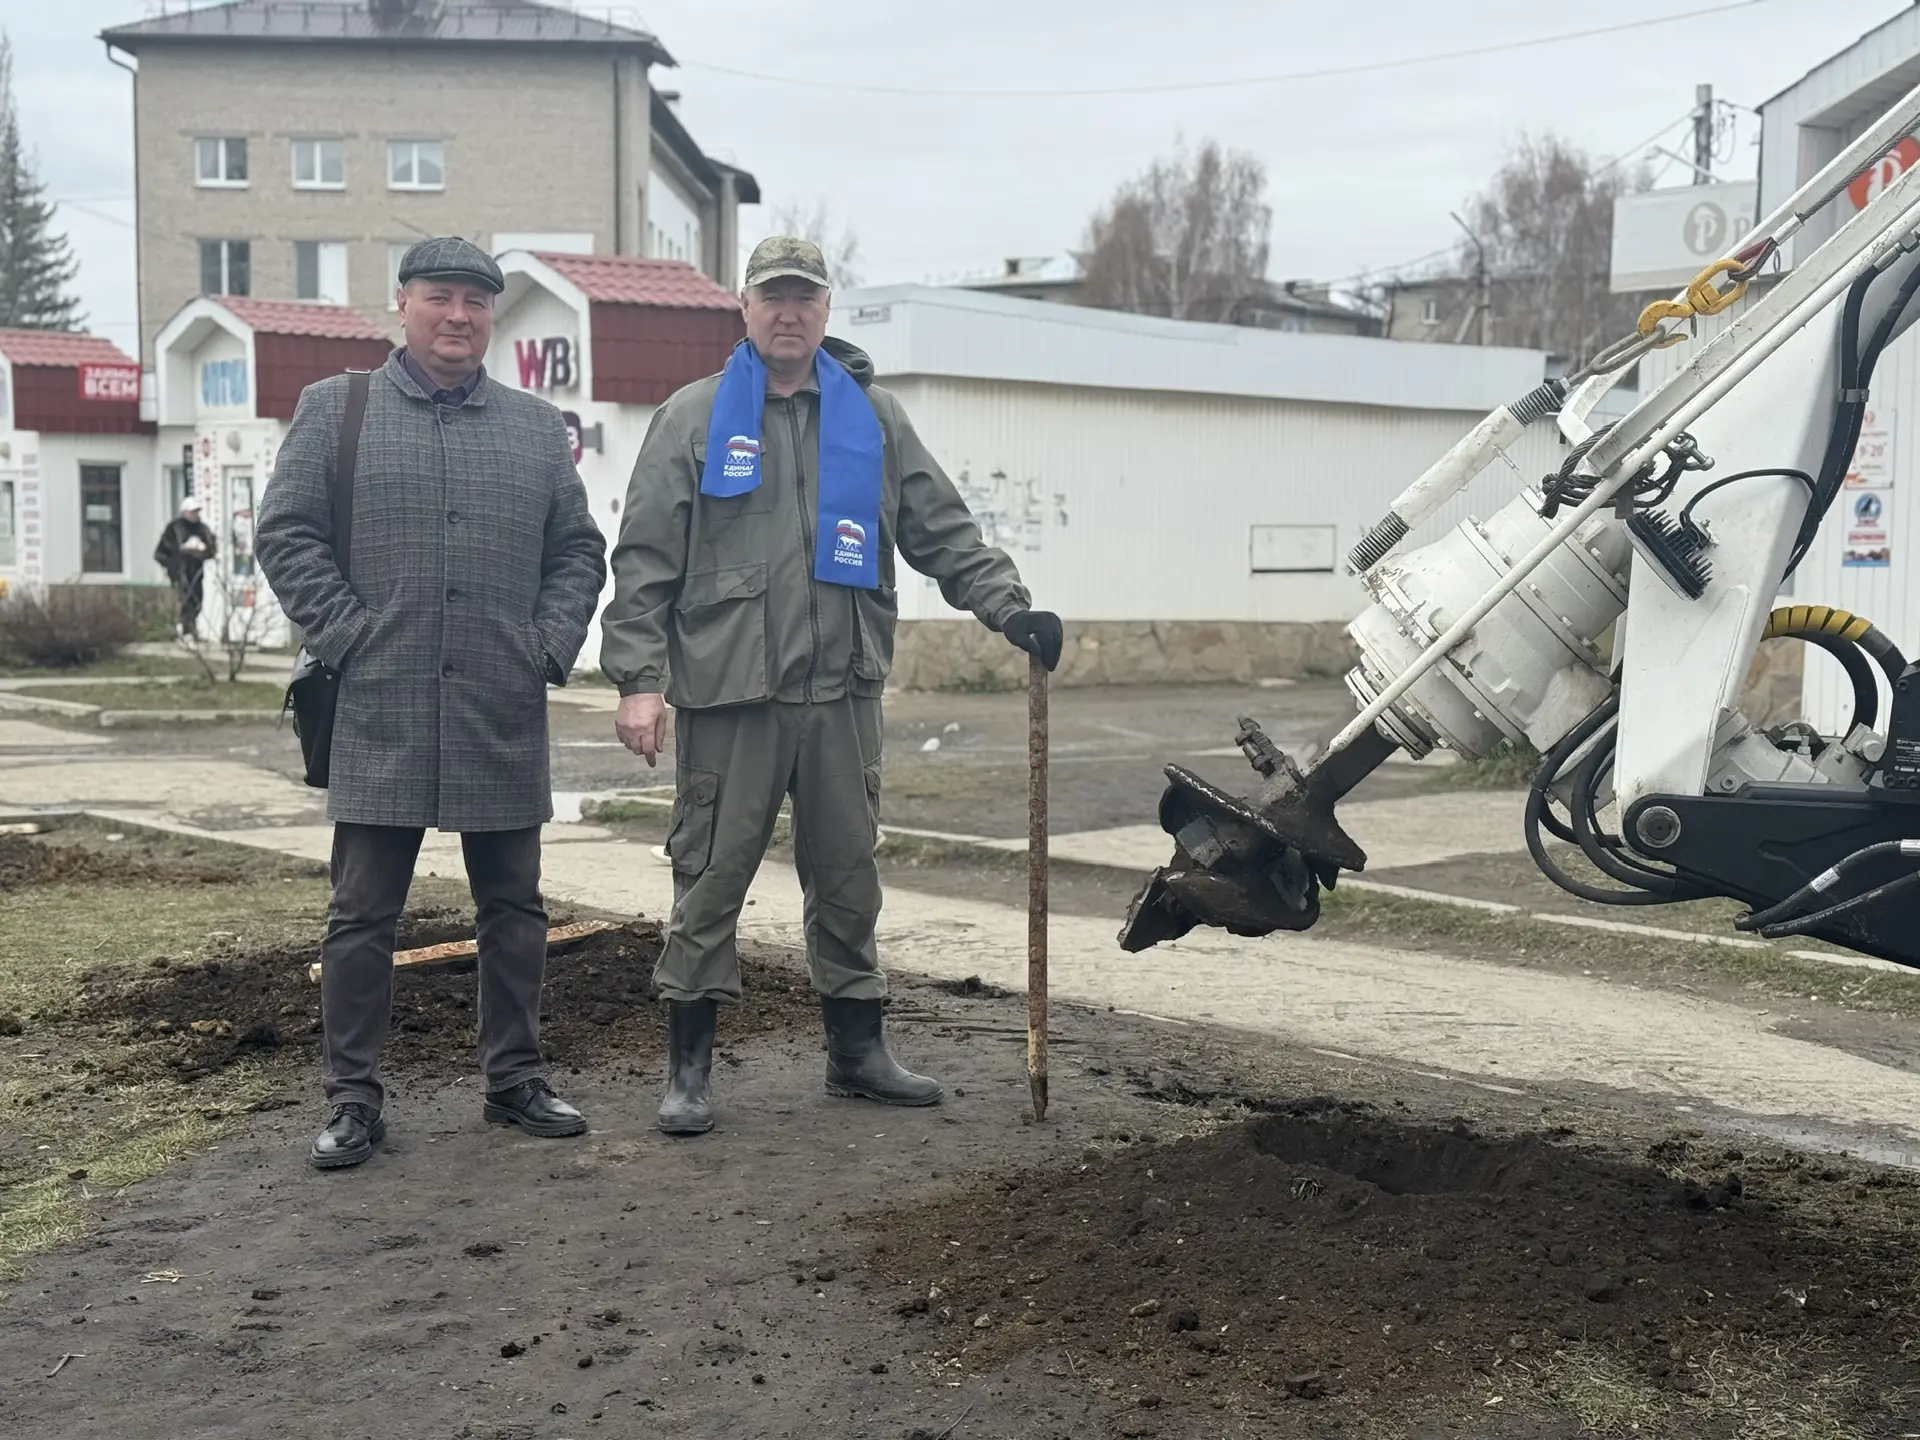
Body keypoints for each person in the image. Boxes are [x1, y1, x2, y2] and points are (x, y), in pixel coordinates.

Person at [600, 235, 1064, 1137]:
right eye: (772, 297)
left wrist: (1010, 609)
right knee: (708, 877)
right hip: (733, 695)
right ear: (744, 307)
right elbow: (646, 560)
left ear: (825, 310)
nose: (788, 312)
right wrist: (638, 681)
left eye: (804, 298)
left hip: (843, 691)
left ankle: (857, 1053)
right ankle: (689, 1068)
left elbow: (942, 531)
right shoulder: (692, 418)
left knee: (850, 876)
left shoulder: (874, 418)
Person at [255, 236, 608, 1171]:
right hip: (383, 703)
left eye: (477, 303)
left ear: (493, 317)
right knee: (362, 914)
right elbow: (286, 532)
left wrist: (545, 643)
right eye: (441, 297)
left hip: (499, 701)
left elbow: (578, 550)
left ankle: (515, 1079)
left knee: (516, 906)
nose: (460, 316)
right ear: (402, 304)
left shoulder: (536, 428)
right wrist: (351, 636)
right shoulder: (339, 409)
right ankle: (353, 1099)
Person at [154, 497, 217, 637]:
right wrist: (174, 563)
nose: (195, 515)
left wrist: (201, 552)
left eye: (197, 512)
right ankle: (184, 629)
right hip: (179, 571)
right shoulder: (175, 528)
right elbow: (160, 553)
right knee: (184, 600)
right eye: (192, 512)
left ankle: (189, 628)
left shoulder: (202, 529)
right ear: (185, 512)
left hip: (196, 571)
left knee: (197, 600)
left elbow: (211, 549)